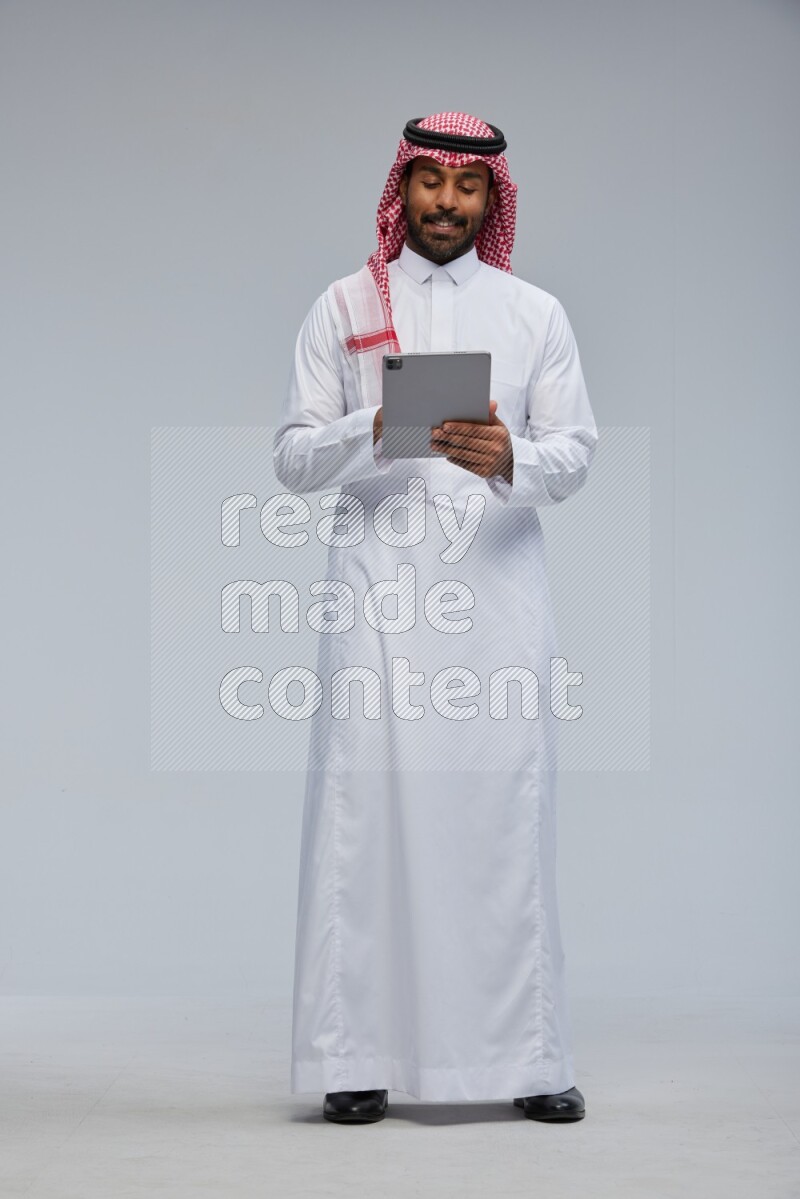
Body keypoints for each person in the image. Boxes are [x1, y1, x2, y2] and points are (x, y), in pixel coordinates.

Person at [273, 112, 598, 1125]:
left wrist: (512, 458)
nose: (446, 202)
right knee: (364, 823)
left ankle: (528, 1058)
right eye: (429, 182)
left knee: (502, 820)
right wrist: (373, 427)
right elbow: (292, 459)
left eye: (467, 187)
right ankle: (355, 1056)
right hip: (376, 602)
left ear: (491, 197)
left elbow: (575, 452)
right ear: (402, 187)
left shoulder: (534, 313)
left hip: (495, 609)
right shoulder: (342, 306)